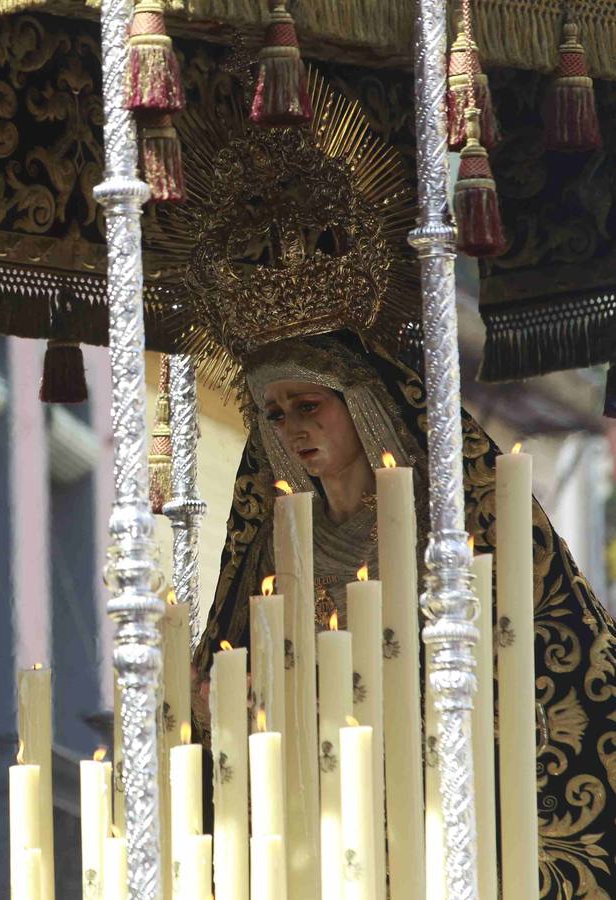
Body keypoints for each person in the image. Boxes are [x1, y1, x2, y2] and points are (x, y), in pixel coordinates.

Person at [191, 330, 616, 895]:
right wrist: (221, 704)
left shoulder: (441, 532)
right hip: (310, 804)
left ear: (360, 400)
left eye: (309, 405)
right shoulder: (276, 547)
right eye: (274, 413)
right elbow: (238, 667)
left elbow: (521, 656)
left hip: (427, 790)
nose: (293, 427)